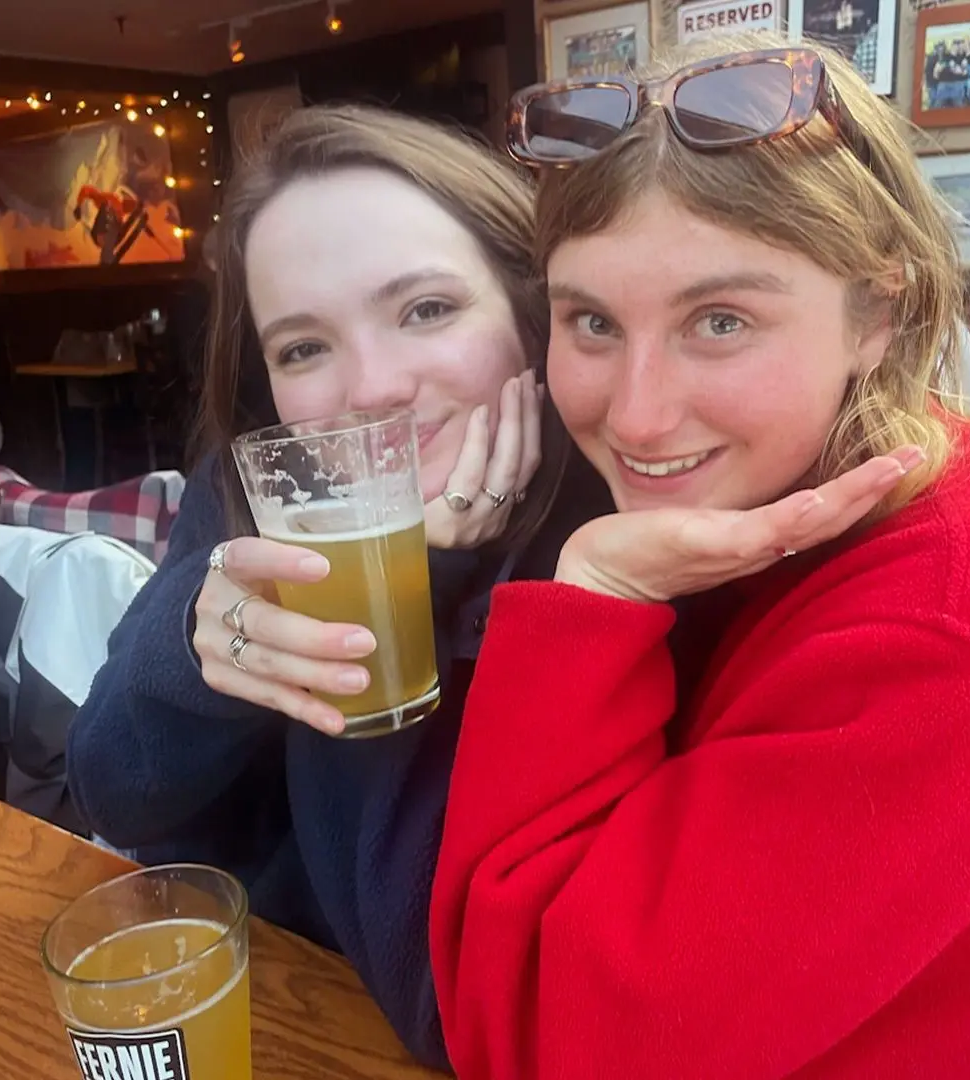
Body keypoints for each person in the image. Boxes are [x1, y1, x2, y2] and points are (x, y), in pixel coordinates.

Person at [430, 33, 970, 1079]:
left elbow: (537, 1038)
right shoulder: (802, 490)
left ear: (879, 312)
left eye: (719, 320)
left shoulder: (947, 628)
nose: (636, 413)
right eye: (589, 320)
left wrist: (596, 592)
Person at [66, 103, 607, 1068]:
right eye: (303, 347)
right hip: (261, 1008)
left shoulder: (608, 539)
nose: (370, 389)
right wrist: (194, 645)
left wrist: (412, 583)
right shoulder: (254, 488)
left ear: (532, 309)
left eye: (427, 309)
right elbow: (112, 793)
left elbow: (442, 996)